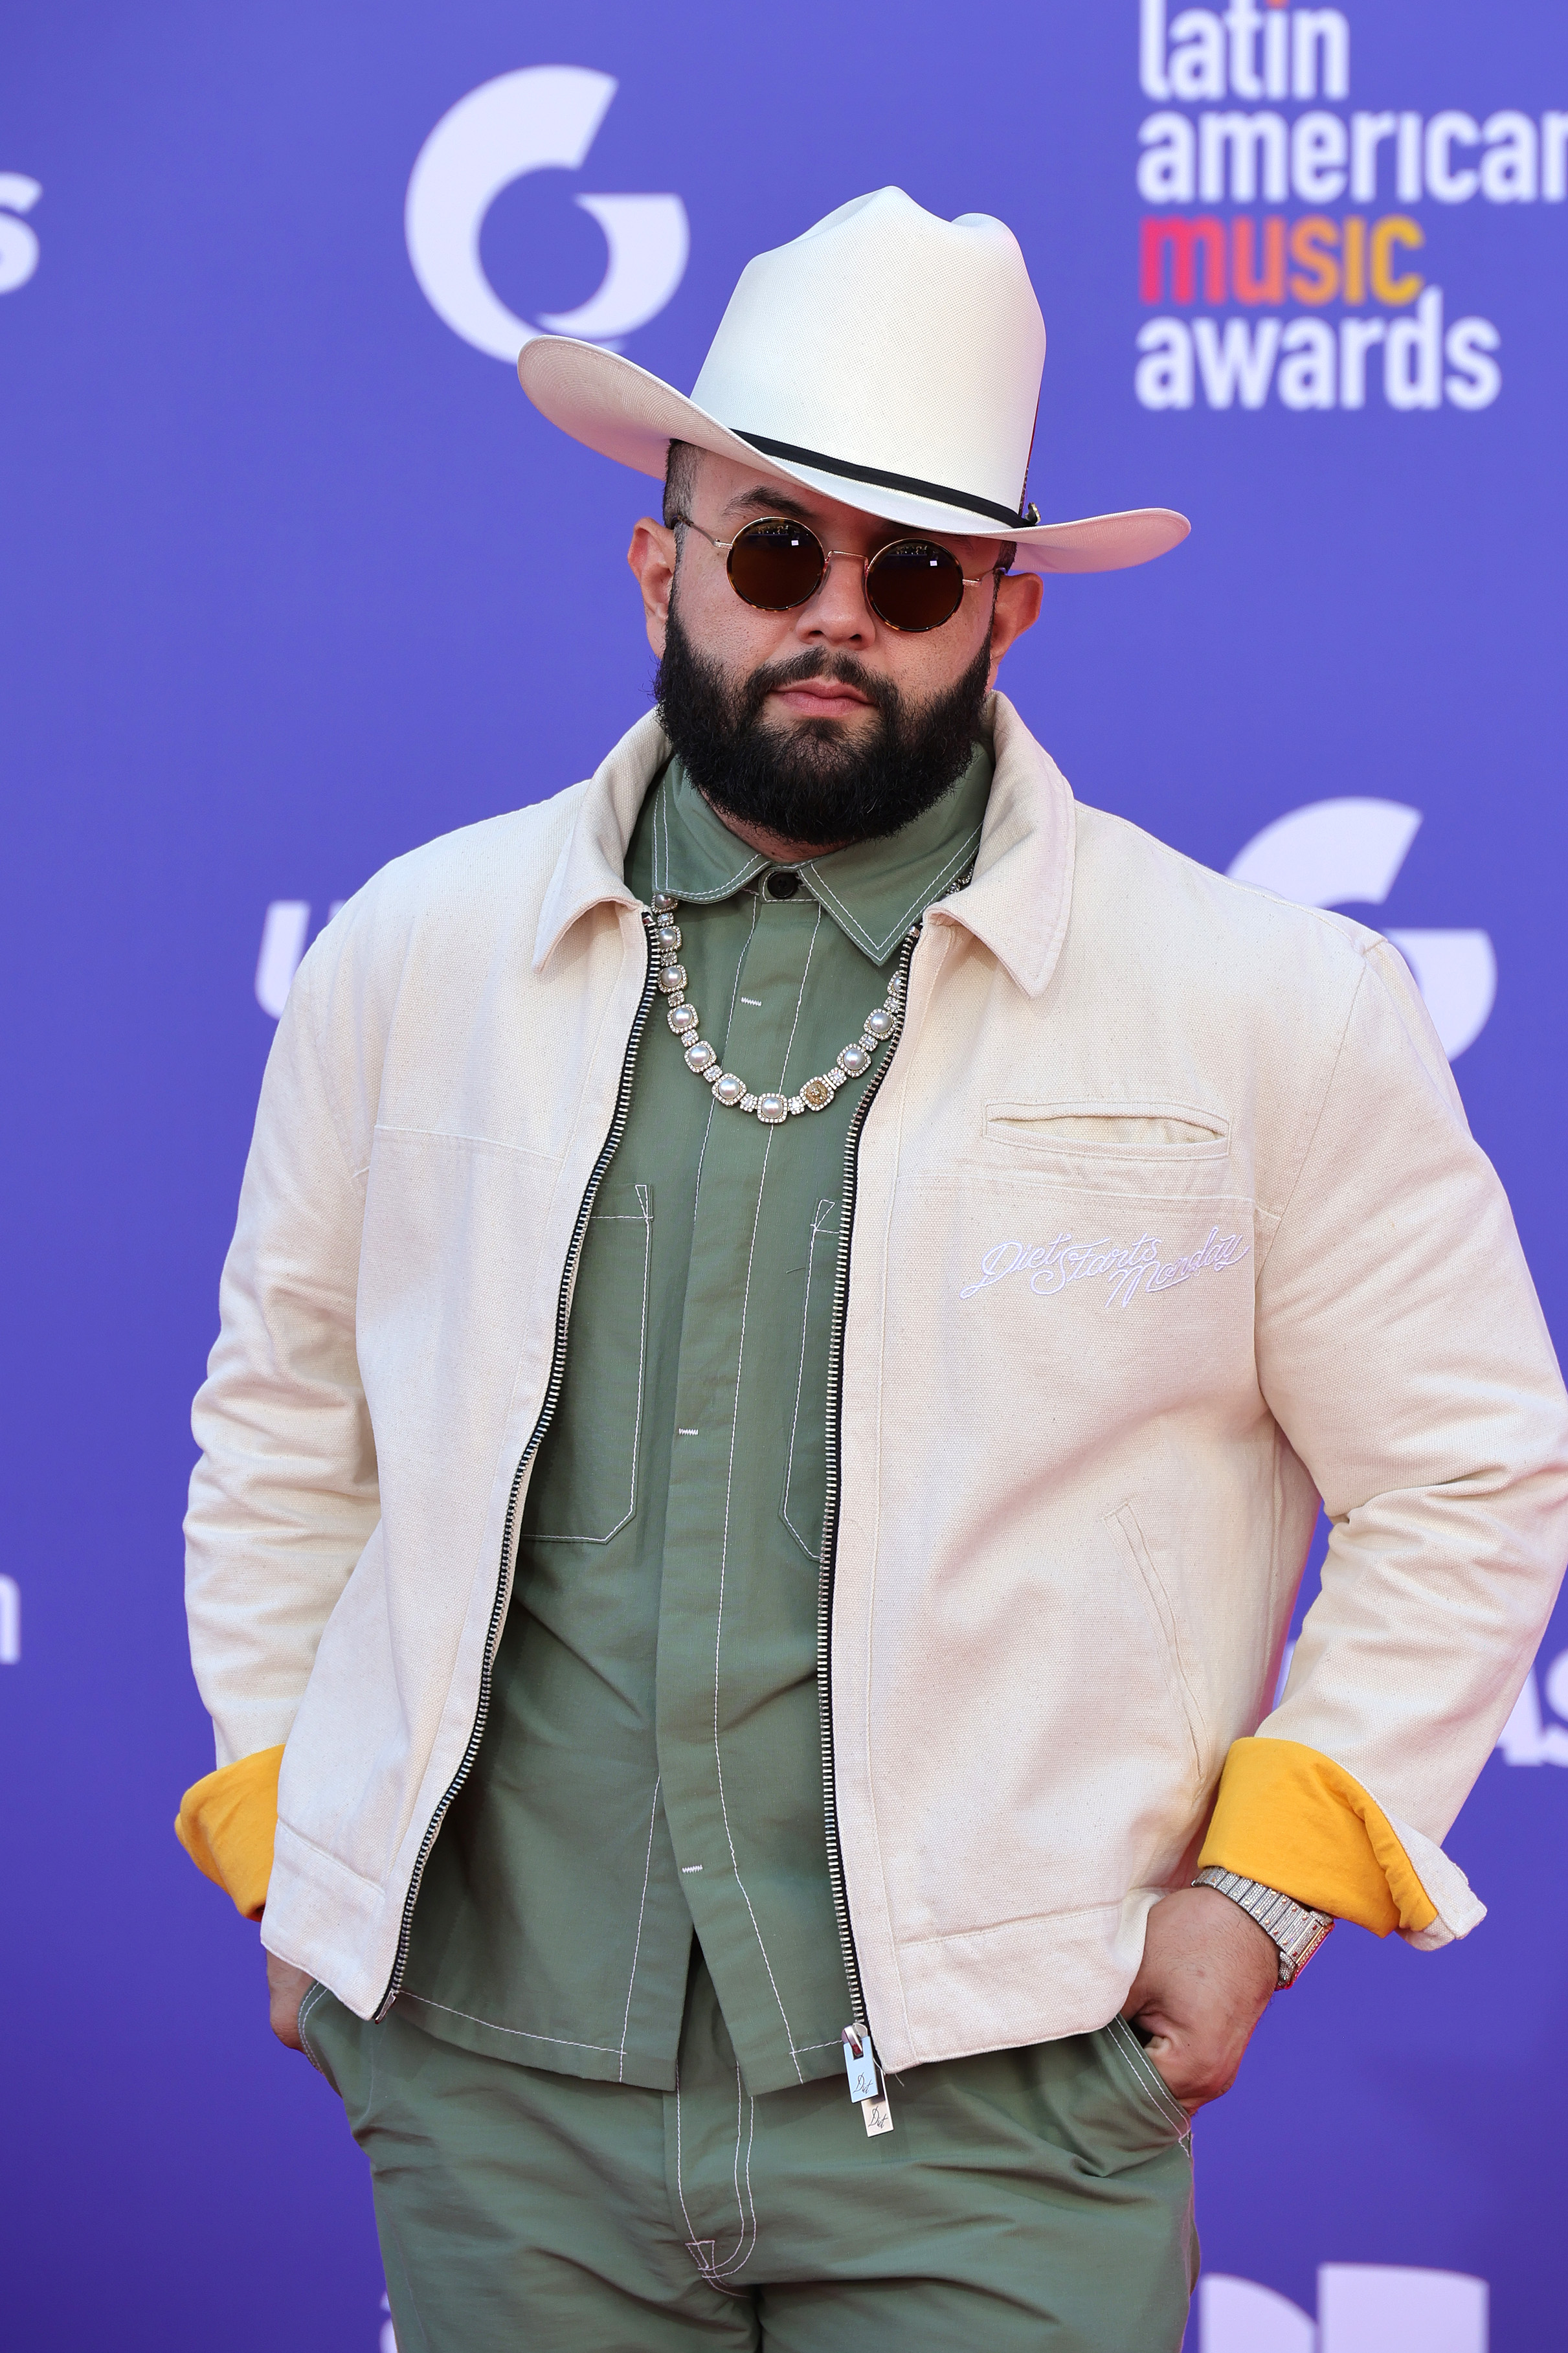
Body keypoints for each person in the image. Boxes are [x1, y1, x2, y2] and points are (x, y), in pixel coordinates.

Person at [176, 189, 1568, 2352]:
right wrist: (293, 1833)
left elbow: (1476, 1473)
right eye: (771, 551)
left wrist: (1265, 1888)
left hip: (1006, 2115)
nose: (835, 617)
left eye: (911, 571)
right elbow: (284, 1426)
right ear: (661, 564)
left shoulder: (1269, 1004)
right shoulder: (409, 958)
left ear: (1005, 610)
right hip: (498, 2094)